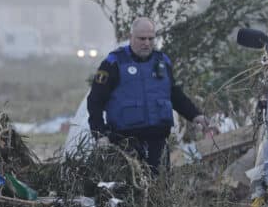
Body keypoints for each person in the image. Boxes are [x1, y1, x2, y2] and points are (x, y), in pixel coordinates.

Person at [87, 17, 209, 172]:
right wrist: (100, 134)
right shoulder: (113, 63)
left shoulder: (162, 61)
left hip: (158, 142)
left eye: (151, 39)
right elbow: (95, 101)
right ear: (131, 37)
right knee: (129, 189)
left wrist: (195, 115)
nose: (147, 43)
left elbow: (174, 94)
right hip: (125, 143)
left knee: (159, 188)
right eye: (142, 38)